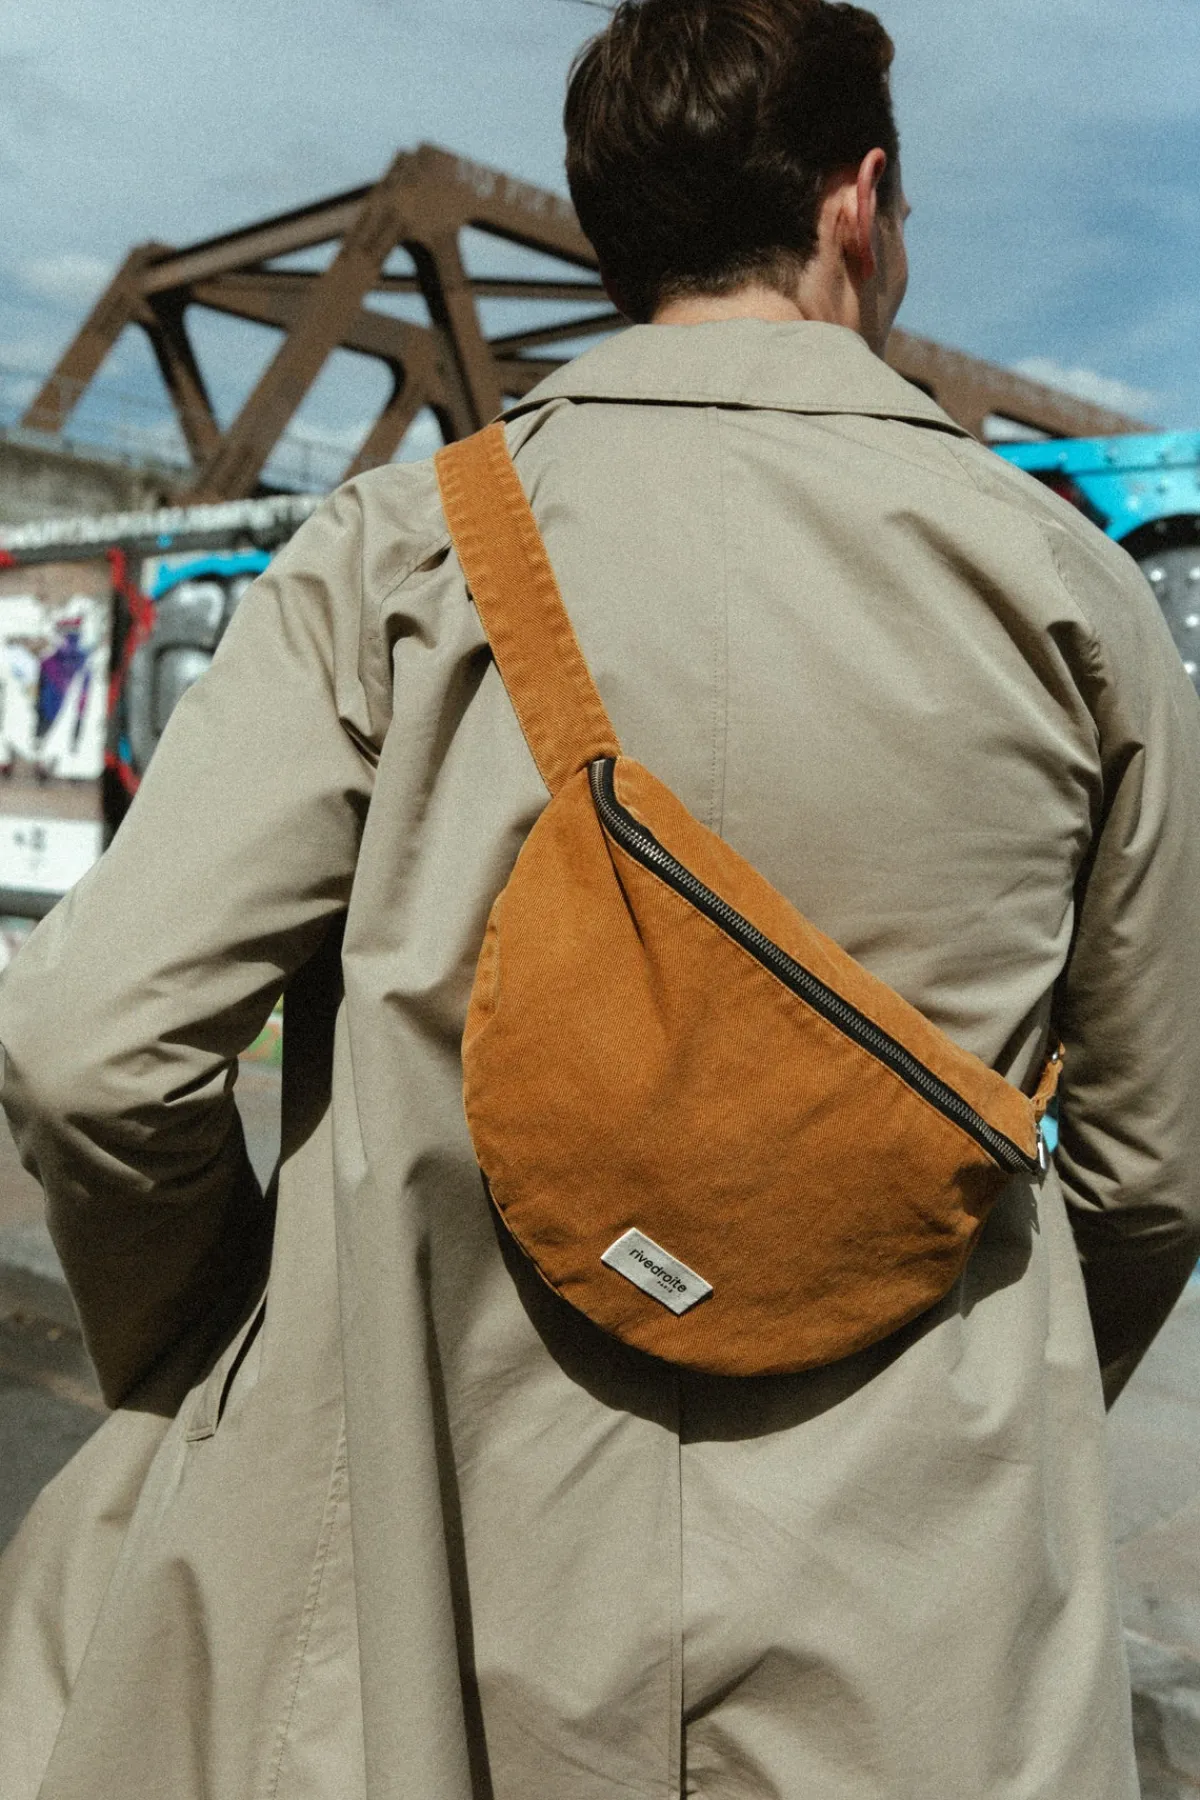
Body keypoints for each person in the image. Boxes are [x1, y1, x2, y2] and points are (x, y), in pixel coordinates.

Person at [1, 1, 1198, 1794]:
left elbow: (94, 1052)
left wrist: (230, 1332)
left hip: (437, 1584)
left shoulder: (393, 555)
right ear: (859, 203)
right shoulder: (1075, 603)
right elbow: (1150, 1165)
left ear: (618, 233)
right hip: (921, 1647)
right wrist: (958, 1388)